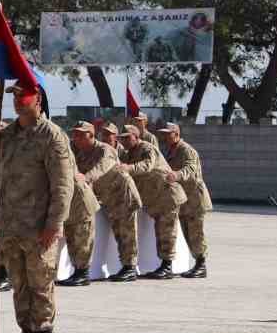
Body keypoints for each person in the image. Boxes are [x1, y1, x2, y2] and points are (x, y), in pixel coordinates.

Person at [0, 83, 73, 333]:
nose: (19, 101)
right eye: (15, 96)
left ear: (40, 100)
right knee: (20, 285)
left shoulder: (52, 136)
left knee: (40, 284)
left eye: (25, 95)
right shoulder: (6, 137)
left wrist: (54, 223)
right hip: (10, 226)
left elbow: (62, 185)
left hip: (38, 226)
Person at [121, 123, 186, 278]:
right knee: (160, 231)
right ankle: (163, 265)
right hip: (156, 198)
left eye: (127, 138)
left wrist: (128, 168)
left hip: (167, 195)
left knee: (167, 232)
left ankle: (167, 266)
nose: (124, 141)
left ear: (136, 137)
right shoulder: (128, 153)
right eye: (121, 139)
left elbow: (147, 165)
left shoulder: (147, 148)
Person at [158, 123, 212, 278]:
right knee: (188, 233)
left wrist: (177, 175)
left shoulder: (186, 150)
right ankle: (198, 264)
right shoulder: (171, 151)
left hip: (195, 198)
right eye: (164, 134)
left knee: (196, 233)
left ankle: (201, 265)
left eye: (168, 134)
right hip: (184, 200)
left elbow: (191, 169)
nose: (165, 137)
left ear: (176, 134)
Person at [94, 123, 143, 281]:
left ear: (115, 137)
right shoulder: (101, 150)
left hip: (124, 197)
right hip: (112, 199)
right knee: (120, 235)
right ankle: (125, 266)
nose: (106, 137)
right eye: (104, 134)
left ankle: (130, 268)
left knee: (128, 233)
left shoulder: (121, 152)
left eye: (109, 134)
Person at [59, 122, 105, 287]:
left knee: (83, 239)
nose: (76, 137)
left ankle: (83, 273)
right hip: (72, 202)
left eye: (80, 134)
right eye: (75, 134)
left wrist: (86, 177)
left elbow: (101, 167)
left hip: (83, 201)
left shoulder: (103, 149)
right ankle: (77, 272)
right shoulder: (71, 148)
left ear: (91, 135)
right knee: (72, 239)